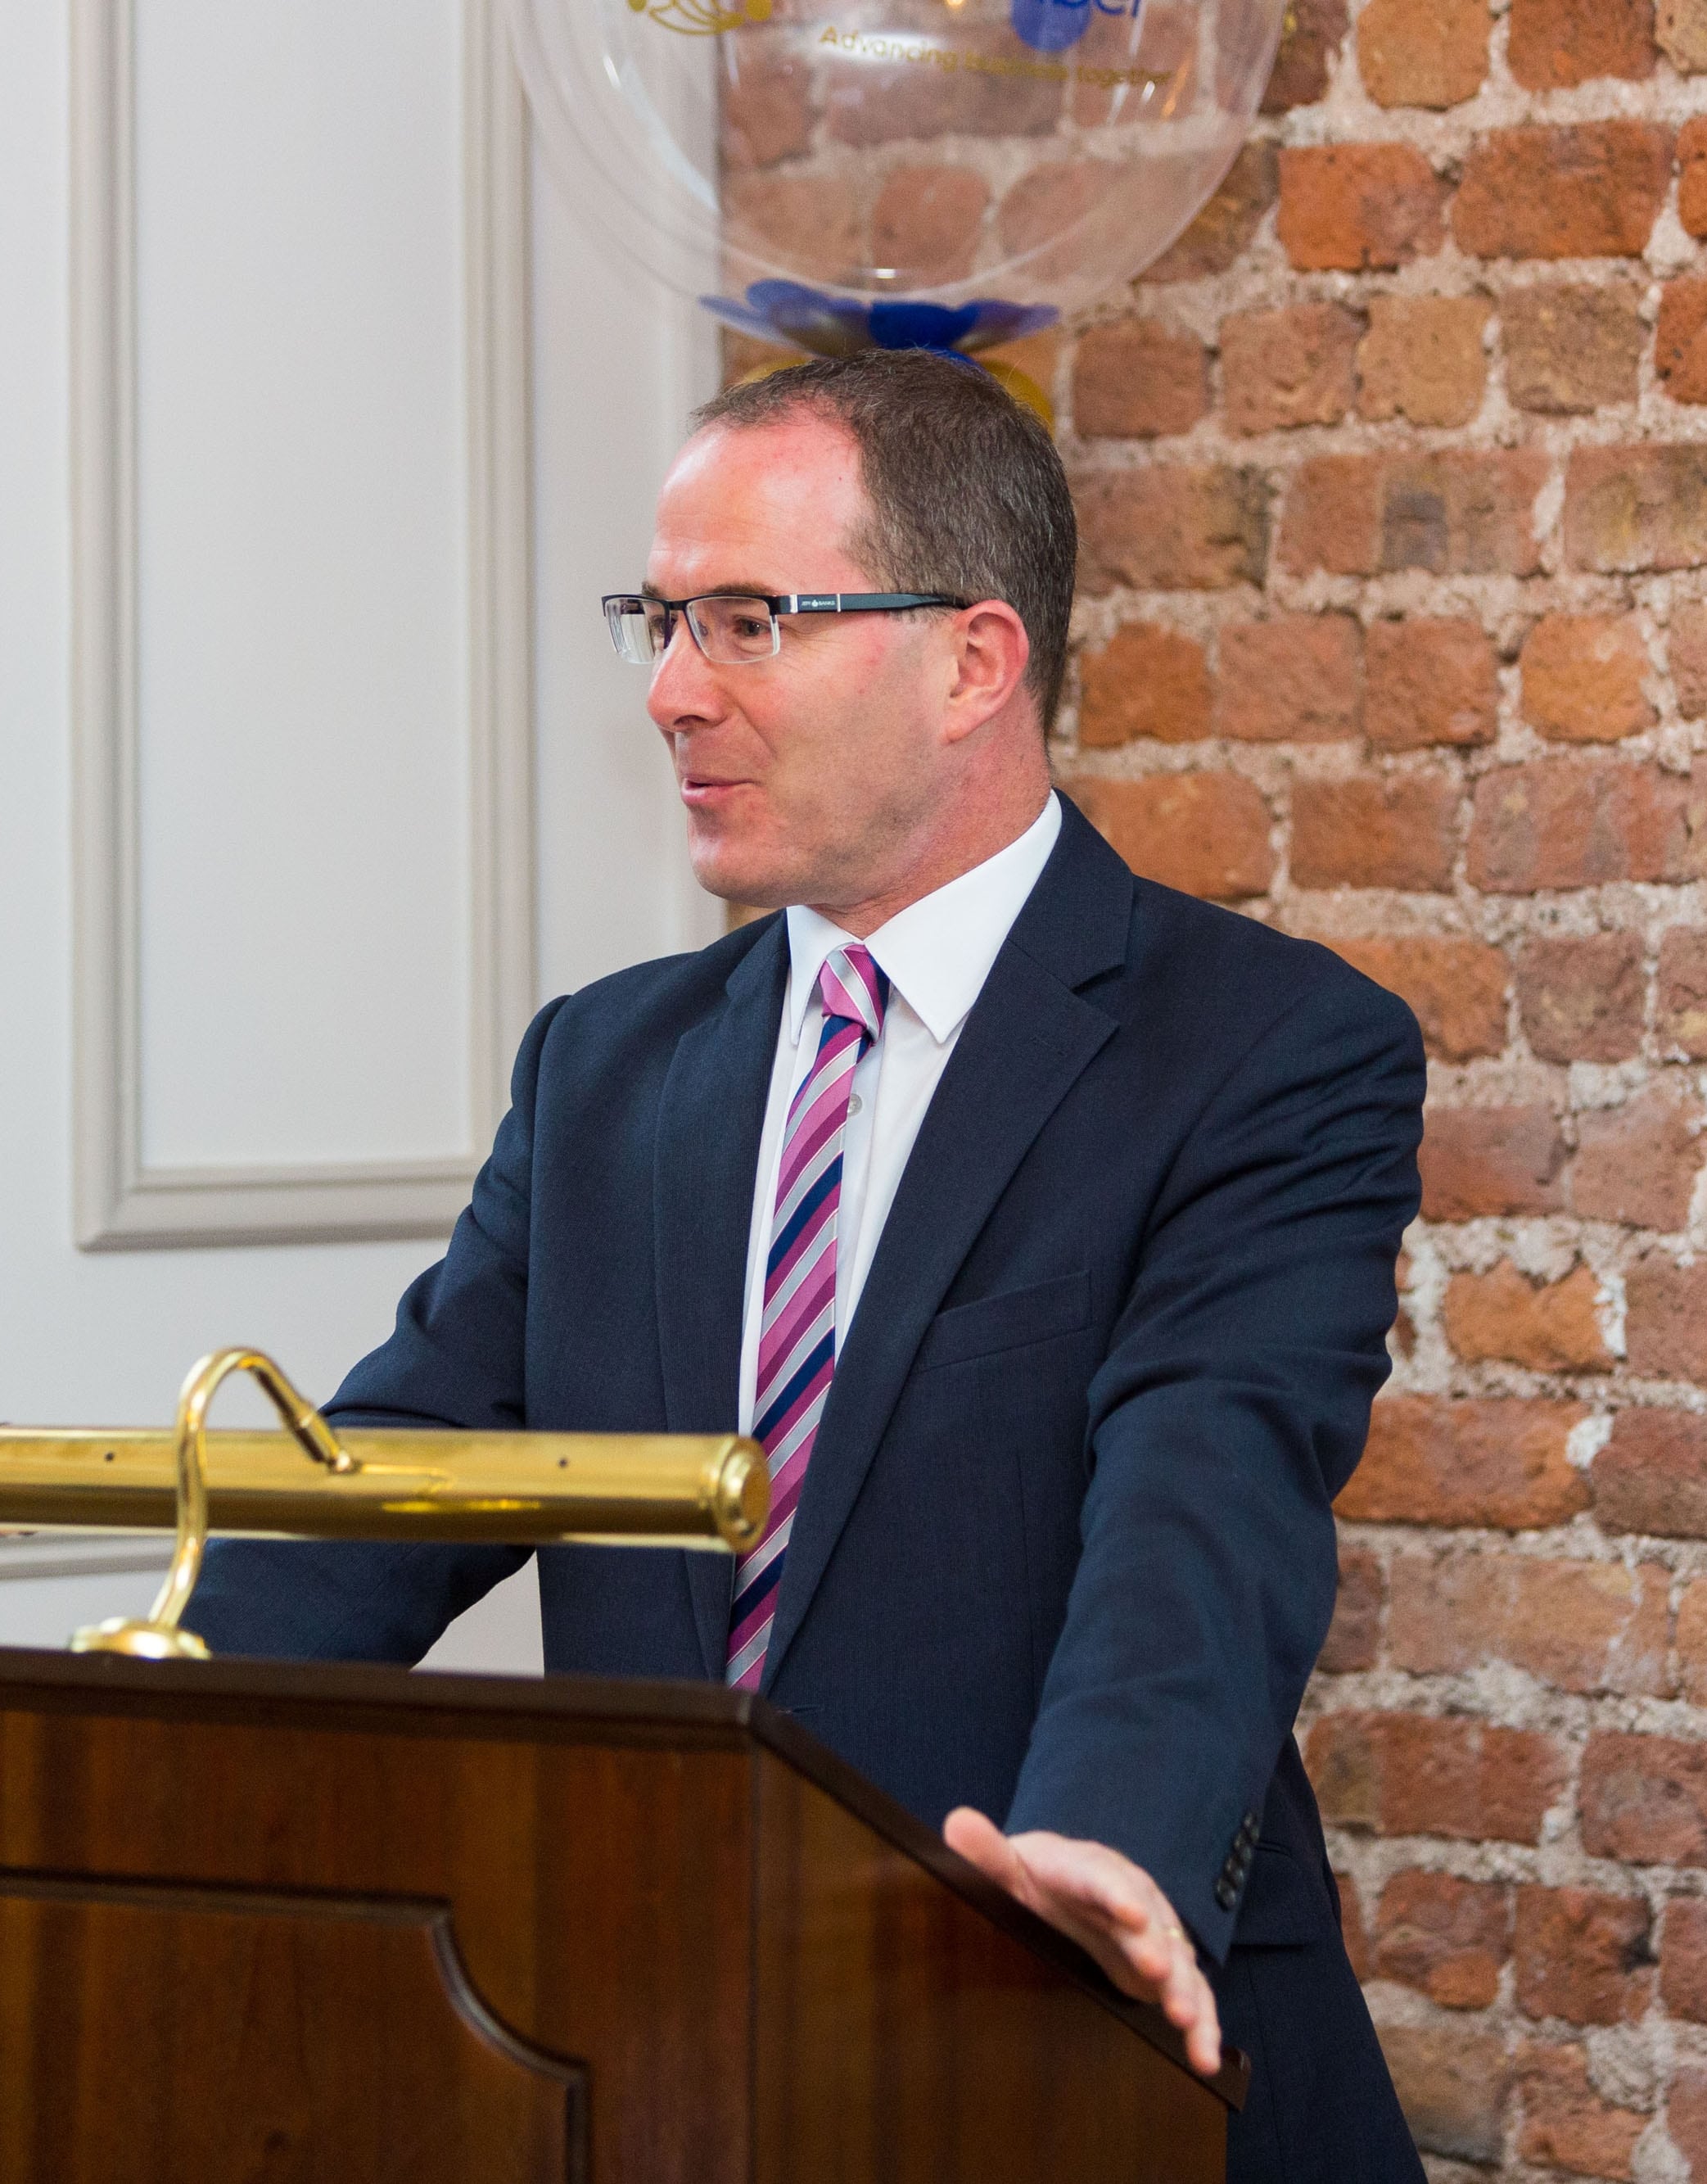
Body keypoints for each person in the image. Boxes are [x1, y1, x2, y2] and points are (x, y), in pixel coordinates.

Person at [187, 347, 1426, 2181]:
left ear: (970, 662)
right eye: (659, 619)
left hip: (1061, 2057)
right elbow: (394, 1479)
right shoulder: (604, 1067)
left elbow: (1205, 1490)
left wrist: (1103, 1846)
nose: (673, 690)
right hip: (647, 2066)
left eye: (749, 620)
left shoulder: (1264, 1051)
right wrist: (108, 1741)